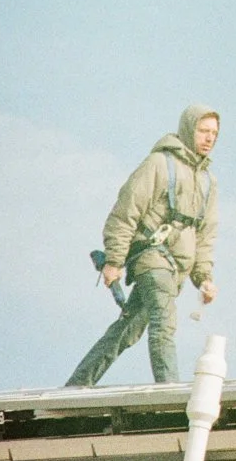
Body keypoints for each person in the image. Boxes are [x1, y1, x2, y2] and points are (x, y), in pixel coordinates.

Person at [65, 105, 222, 386]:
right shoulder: (160, 164)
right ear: (188, 129)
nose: (209, 138)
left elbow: (205, 235)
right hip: (152, 257)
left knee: (128, 329)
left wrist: (204, 277)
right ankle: (169, 389)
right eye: (203, 131)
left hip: (178, 269)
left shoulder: (209, 182)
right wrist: (114, 260)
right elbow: (127, 211)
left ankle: (77, 385)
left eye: (214, 133)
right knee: (164, 318)